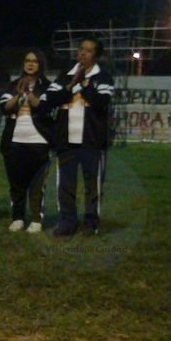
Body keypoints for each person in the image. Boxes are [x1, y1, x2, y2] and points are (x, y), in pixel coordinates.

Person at [41, 36, 114, 238]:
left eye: (88, 50)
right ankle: (67, 222)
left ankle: (91, 223)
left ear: (96, 55)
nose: (82, 53)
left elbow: (102, 102)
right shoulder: (65, 76)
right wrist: (71, 85)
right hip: (66, 142)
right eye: (81, 49)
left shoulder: (104, 77)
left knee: (92, 185)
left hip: (92, 142)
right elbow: (48, 101)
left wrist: (84, 85)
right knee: (65, 185)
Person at [0, 50, 54, 233]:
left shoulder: (46, 86)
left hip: (38, 141)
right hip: (14, 140)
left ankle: (37, 219)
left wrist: (29, 94)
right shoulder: (13, 85)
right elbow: (4, 107)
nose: (30, 64)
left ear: (40, 65)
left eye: (35, 61)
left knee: (37, 184)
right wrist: (18, 94)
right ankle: (18, 217)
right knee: (16, 183)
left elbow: (45, 107)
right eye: (27, 61)